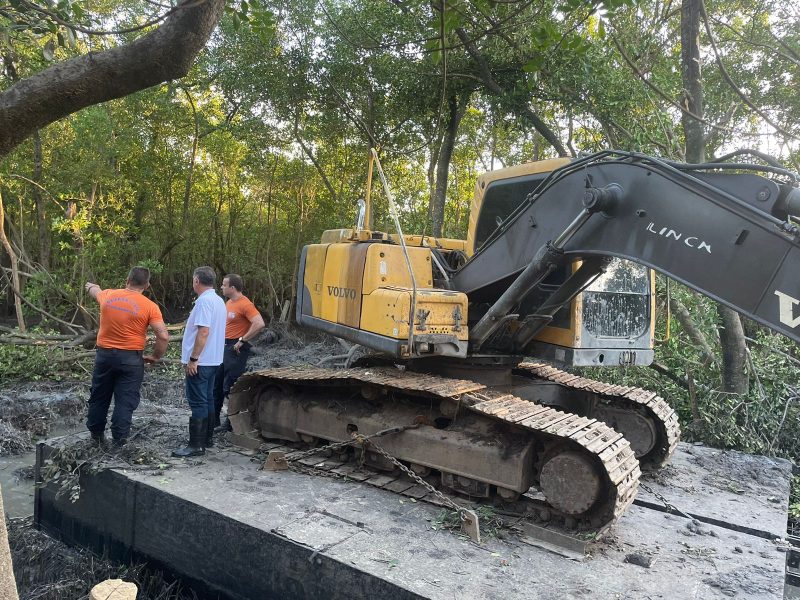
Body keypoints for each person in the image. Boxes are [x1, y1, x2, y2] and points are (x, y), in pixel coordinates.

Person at [85, 266, 169, 447]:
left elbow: (95, 291)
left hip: (104, 356)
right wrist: (155, 356)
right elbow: (163, 336)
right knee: (125, 400)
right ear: (147, 285)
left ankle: (96, 436)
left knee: (99, 396)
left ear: (127, 280)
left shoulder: (109, 295)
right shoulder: (150, 307)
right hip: (131, 359)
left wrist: (91, 286)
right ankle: (119, 440)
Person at [172, 266, 226, 457]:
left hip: (201, 361)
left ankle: (196, 445)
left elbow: (203, 332)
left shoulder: (204, 302)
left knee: (198, 402)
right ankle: (207, 439)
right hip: (214, 359)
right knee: (208, 399)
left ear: (197, 281)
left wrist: (193, 359)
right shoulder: (219, 301)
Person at [213, 274, 266, 434]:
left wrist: (242, 340)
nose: (221, 287)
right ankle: (213, 421)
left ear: (232, 288)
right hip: (224, 347)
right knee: (217, 385)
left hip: (236, 349)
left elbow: (259, 323)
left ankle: (231, 423)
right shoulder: (229, 302)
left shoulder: (245, 304)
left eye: (224, 285)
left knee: (230, 387)